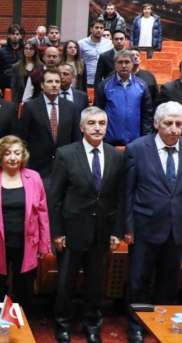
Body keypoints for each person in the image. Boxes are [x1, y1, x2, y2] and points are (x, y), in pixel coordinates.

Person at [123, 102, 182, 343]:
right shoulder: (137, 149)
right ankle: (135, 324)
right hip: (145, 227)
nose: (174, 129)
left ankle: (161, 322)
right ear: (156, 123)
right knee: (139, 279)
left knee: (169, 280)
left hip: (177, 228)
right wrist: (128, 227)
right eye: (168, 123)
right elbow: (127, 192)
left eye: (179, 124)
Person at [49, 107, 126, 343]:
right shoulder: (66, 154)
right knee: (65, 283)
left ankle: (92, 324)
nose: (97, 128)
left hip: (102, 231)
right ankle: (62, 324)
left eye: (102, 123)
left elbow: (120, 196)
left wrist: (117, 231)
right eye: (92, 123)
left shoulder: (116, 155)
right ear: (82, 127)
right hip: (71, 231)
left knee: (95, 283)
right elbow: (55, 198)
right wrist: (57, 232)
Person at [0, 136, 50, 312]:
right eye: (7, 153)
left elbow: (43, 213)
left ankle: (22, 328)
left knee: (24, 289)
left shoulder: (34, 177)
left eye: (17, 153)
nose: (13, 157)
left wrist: (44, 244)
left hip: (27, 243)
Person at [16, 69, 82, 190]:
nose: (54, 85)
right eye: (50, 81)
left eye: (57, 81)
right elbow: (22, 139)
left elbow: (76, 139)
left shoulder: (71, 107)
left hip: (65, 166)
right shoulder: (30, 107)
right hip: (38, 167)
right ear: (42, 85)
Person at [95, 50, 154, 146]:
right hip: (109, 141)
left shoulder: (142, 85)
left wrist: (146, 138)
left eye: (127, 62)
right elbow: (98, 112)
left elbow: (147, 115)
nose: (123, 65)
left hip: (135, 141)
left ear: (132, 64)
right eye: (120, 62)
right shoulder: (104, 85)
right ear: (115, 65)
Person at [78, 20, 113, 88]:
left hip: (104, 81)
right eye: (96, 27)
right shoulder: (81, 43)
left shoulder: (110, 44)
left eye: (101, 28)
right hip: (87, 81)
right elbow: (78, 61)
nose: (99, 30)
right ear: (91, 29)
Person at [0, 24, 24, 97]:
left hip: (21, 83)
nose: (15, 36)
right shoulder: (1, 51)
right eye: (13, 34)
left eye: (17, 34)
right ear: (9, 35)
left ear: (21, 36)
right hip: (6, 83)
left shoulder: (25, 50)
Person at [10, 41, 42, 107]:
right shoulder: (16, 67)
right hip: (20, 98)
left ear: (35, 51)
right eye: (26, 48)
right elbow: (14, 87)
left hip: (36, 99)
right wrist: (15, 105)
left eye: (31, 49)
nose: (28, 51)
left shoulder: (40, 66)